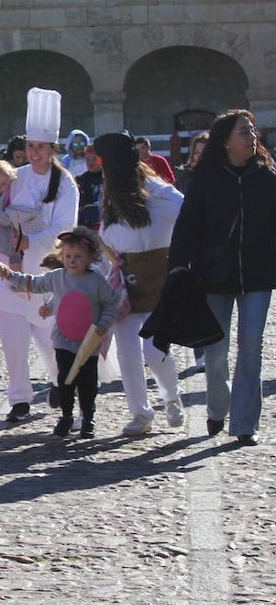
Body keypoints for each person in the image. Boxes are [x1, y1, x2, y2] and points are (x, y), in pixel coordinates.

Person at [169, 109, 276, 446]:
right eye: (243, 131)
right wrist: (178, 264)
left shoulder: (268, 177)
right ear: (226, 141)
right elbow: (187, 223)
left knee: (251, 349)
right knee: (215, 351)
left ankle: (245, 424)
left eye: (252, 131)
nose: (251, 136)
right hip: (213, 274)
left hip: (257, 274)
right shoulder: (206, 178)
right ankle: (217, 408)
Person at [0, 89, 77, 423]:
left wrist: (30, 237)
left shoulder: (65, 184)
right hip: (9, 270)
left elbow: (64, 227)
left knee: (49, 337)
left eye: (41, 147)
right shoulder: (15, 177)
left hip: (43, 272)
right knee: (13, 341)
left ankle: (56, 379)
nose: (35, 153)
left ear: (53, 148)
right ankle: (19, 398)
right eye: (31, 147)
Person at [95, 132, 185, 435]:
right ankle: (140, 412)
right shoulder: (111, 199)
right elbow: (107, 239)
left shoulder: (158, 191)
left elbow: (182, 208)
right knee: (128, 352)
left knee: (154, 349)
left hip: (159, 277)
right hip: (127, 280)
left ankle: (171, 396)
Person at [0, 227, 119, 439]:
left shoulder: (96, 281)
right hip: (62, 341)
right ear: (61, 256)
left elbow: (111, 303)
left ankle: (88, 418)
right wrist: (9, 274)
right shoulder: (57, 277)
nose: (72, 261)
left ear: (90, 258)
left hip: (88, 342)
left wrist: (103, 324)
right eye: (68, 256)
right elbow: (32, 283)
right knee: (65, 382)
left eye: (78, 257)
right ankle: (66, 416)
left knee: (87, 383)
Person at [75, 142, 104, 229]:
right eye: (88, 159)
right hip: (87, 222)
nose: (90, 163)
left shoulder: (106, 178)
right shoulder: (81, 179)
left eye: (94, 159)